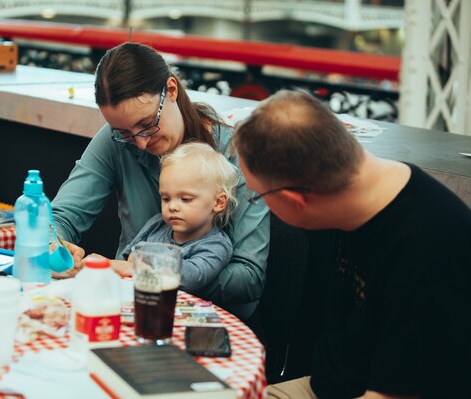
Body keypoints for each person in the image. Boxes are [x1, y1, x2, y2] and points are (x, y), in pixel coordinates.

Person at [233, 90, 471, 398]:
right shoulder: (362, 189)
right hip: (322, 383)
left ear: (296, 200)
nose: (255, 203)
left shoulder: (428, 253)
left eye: (256, 195)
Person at [51, 42, 270, 321]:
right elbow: (62, 216)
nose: (140, 143)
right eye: (125, 133)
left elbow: (248, 278)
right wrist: (53, 243)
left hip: (210, 319)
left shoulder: (239, 152)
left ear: (171, 90)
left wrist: (147, 273)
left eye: (147, 125)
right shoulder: (116, 141)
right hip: (131, 306)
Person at [110, 142, 238, 296]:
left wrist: (138, 265)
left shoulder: (216, 245)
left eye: (185, 199)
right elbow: (125, 257)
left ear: (218, 202)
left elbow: (192, 277)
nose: (172, 207)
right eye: (165, 198)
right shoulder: (156, 224)